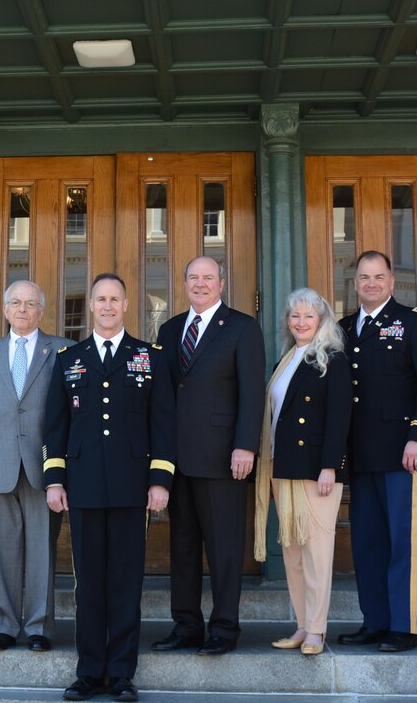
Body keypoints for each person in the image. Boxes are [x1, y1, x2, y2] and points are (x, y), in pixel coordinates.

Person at [44, 273, 175, 702]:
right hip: (81, 486)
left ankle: (121, 674)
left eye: (114, 299)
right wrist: (54, 479)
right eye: (99, 299)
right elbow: (55, 425)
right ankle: (88, 672)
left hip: (131, 487)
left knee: (124, 583)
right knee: (89, 585)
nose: (106, 306)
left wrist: (160, 481)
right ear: (92, 306)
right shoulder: (70, 358)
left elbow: (163, 425)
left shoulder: (149, 356)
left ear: (125, 305)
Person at [151, 256, 265, 656]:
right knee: (181, 547)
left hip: (223, 458)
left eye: (208, 277)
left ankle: (224, 628)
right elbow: (163, 396)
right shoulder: (168, 329)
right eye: (194, 278)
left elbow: (253, 393)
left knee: (224, 549)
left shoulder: (242, 327)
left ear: (221, 282)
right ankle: (186, 625)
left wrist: (245, 445)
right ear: (184, 283)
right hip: (176, 461)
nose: (201, 284)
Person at [336, 250, 417, 653]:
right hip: (361, 455)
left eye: (378, 277)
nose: (371, 284)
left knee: (404, 542)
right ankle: (375, 621)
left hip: (404, 454)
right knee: (368, 543)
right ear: (355, 284)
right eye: (363, 277)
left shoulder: (415, 321)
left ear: (391, 281)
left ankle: (404, 625)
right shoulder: (344, 328)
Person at [0, 280, 72, 653]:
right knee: (1, 549)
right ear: (4, 309)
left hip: (44, 464)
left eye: (31, 304)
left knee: (41, 548)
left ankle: (39, 626)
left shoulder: (62, 350)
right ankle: (2, 625)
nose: (23, 310)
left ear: (41, 311)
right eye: (16, 303)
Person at [253, 288, 351, 656]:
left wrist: (330, 467)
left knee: (316, 551)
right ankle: (301, 624)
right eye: (295, 316)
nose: (301, 322)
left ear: (322, 320)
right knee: (293, 552)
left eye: (309, 316)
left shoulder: (333, 359)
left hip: (315, 471)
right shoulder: (287, 357)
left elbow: (339, 419)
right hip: (283, 468)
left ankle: (317, 629)